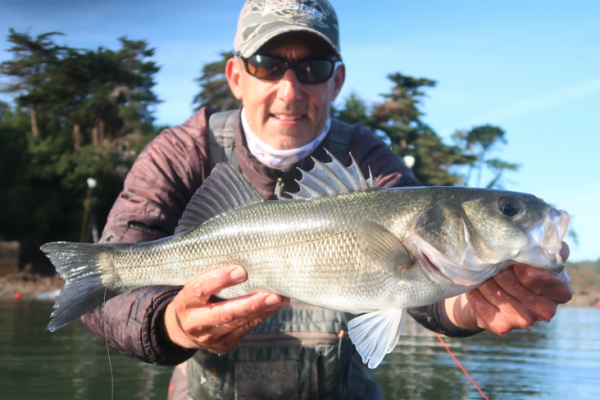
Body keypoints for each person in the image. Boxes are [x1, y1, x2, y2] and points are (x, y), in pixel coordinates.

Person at [81, 1, 573, 399]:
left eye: (312, 68)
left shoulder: (369, 155)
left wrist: (468, 305)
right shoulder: (180, 150)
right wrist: (173, 324)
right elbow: (111, 281)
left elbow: (425, 301)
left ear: (336, 81)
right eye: (268, 65)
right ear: (236, 76)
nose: (290, 90)